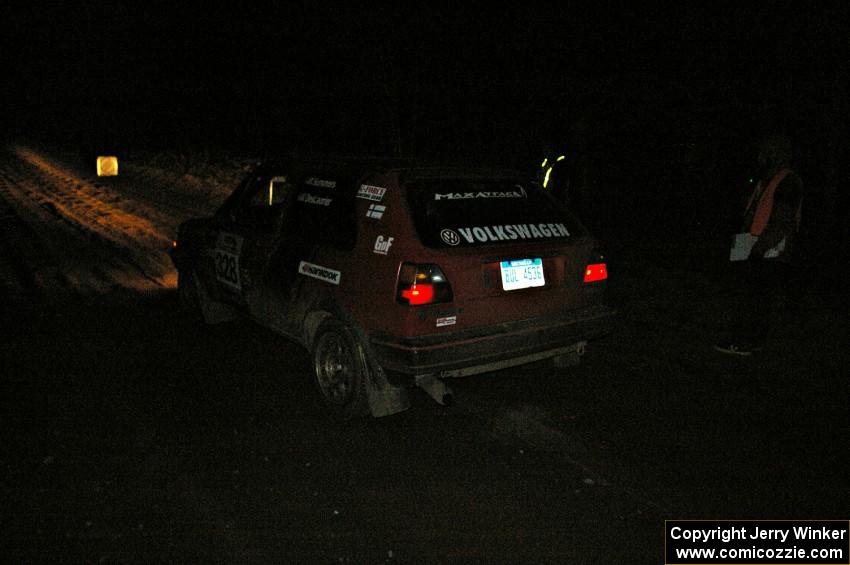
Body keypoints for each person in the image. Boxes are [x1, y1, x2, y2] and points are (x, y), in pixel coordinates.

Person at [714, 134, 804, 356]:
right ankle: (746, 338)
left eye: (764, 152)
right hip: (752, 244)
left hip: (766, 249)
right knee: (748, 294)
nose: (759, 156)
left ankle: (744, 341)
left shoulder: (787, 181)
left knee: (755, 298)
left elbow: (782, 223)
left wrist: (759, 248)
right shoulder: (767, 178)